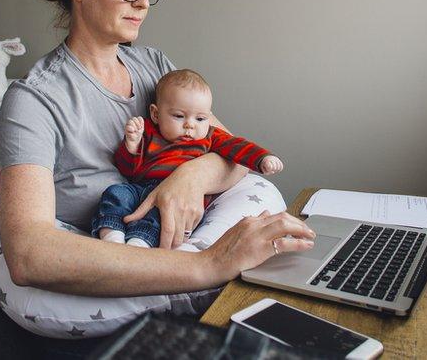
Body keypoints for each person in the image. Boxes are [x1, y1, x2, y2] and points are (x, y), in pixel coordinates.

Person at [0, 0, 314, 337]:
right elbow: (29, 254)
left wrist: (189, 177)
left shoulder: (154, 67)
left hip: (174, 236)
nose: (142, 2)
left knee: (264, 192)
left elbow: (231, 153)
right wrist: (207, 264)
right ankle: (206, 280)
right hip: (108, 242)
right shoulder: (34, 99)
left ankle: (200, 278)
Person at [94, 69, 285, 247]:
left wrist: (262, 158)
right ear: (155, 114)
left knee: (159, 216)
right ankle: (112, 235)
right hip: (142, 188)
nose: (189, 126)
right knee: (116, 192)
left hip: (180, 198)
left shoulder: (210, 136)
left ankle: (139, 242)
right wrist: (132, 146)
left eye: (200, 119)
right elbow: (128, 170)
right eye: (178, 116)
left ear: (208, 118)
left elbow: (238, 147)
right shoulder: (148, 132)